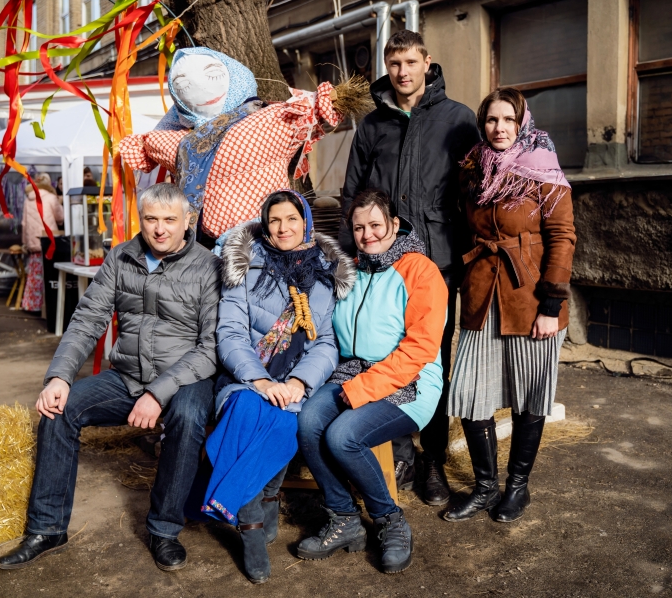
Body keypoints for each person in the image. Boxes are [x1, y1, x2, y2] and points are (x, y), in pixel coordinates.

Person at [0, 183, 221, 572]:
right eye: (151, 219)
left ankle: (164, 530)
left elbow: (211, 347)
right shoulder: (121, 257)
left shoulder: (208, 267)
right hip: (129, 377)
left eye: (170, 220)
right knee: (59, 410)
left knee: (187, 418)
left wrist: (158, 394)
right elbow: (87, 320)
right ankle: (47, 529)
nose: (160, 229)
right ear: (140, 219)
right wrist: (59, 377)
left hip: (185, 379)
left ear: (188, 221)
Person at [340, 29, 480, 504]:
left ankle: (432, 460)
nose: (402, 72)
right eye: (394, 63)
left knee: (429, 360)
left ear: (427, 62)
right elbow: (353, 193)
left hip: (436, 261)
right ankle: (398, 452)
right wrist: (350, 260)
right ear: (387, 66)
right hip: (379, 265)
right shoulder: (373, 124)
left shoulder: (458, 119)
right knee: (381, 355)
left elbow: (473, 193)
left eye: (411, 62)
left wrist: (468, 257)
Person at [199, 190, 354, 584]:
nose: (283, 228)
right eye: (275, 220)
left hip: (295, 379)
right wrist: (260, 379)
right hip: (246, 375)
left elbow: (326, 342)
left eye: (291, 219)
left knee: (286, 420)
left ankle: (265, 495)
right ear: (265, 226)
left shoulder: (326, 272)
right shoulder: (244, 264)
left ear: (306, 223)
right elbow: (230, 332)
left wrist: (300, 381)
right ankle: (251, 521)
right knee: (248, 410)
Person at [297, 189, 448, 574]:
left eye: (376, 225)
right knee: (308, 421)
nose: (367, 235)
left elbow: (419, 349)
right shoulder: (350, 270)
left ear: (394, 225)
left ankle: (389, 520)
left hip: (410, 381)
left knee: (342, 436)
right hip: (352, 372)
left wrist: (361, 389)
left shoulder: (420, 271)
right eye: (359, 227)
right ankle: (344, 518)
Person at [443, 88, 575, 524]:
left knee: (529, 393)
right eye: (491, 120)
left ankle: (517, 487)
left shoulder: (543, 168)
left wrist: (551, 305)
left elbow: (563, 237)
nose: (499, 128)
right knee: (470, 393)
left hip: (530, 297)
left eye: (508, 120)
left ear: (522, 123)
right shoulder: (472, 169)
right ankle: (485, 488)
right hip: (482, 294)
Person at [21, 173, 64, 312]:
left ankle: (32, 304)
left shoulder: (28, 200)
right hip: (49, 240)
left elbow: (24, 224)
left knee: (35, 274)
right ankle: (48, 306)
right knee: (49, 274)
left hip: (33, 242)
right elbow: (60, 217)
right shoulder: (51, 198)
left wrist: (25, 242)